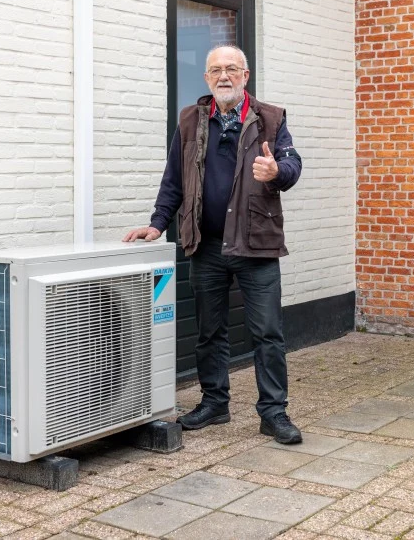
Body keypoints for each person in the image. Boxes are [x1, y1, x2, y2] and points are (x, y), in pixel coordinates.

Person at [123, 45, 304, 444]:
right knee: (209, 330)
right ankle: (214, 403)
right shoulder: (190, 121)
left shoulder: (271, 118)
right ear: (206, 78)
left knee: (267, 332)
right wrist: (157, 225)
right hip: (205, 245)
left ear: (246, 75)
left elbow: (292, 166)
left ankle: (274, 412)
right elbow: (174, 180)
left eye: (231, 69)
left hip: (256, 243)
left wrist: (275, 171)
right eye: (215, 70)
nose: (224, 76)